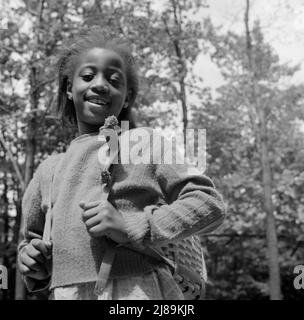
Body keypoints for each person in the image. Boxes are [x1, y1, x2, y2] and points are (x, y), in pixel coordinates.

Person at [18, 27, 225, 300]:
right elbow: (30, 240)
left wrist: (134, 225)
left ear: (127, 96)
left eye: (114, 80)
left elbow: (209, 203)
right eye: (88, 76)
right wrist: (32, 261)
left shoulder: (145, 142)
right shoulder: (49, 170)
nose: (101, 84)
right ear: (70, 88)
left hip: (139, 290)